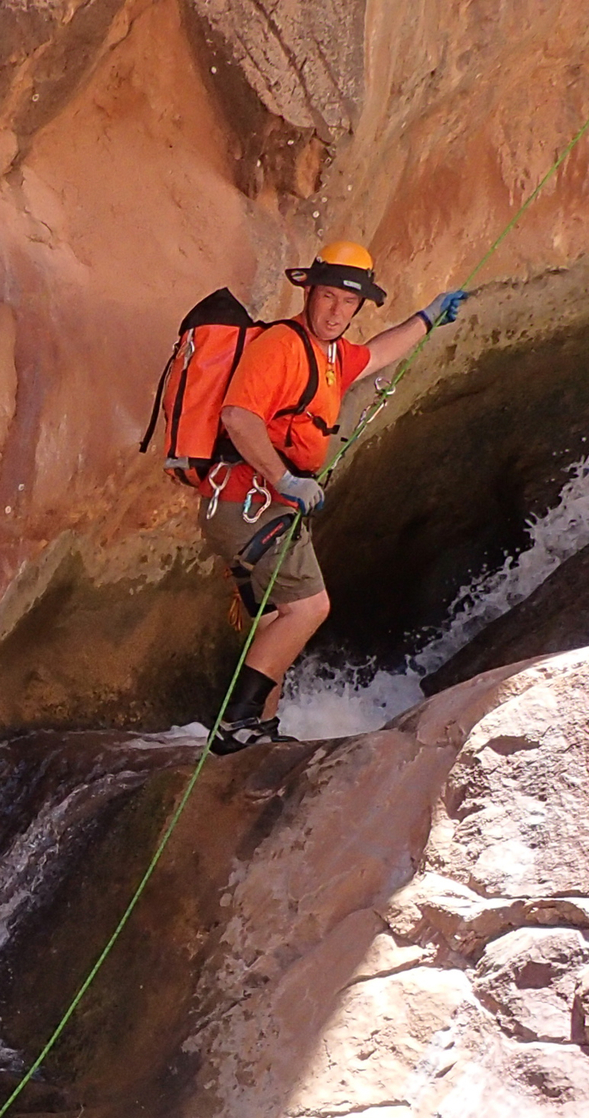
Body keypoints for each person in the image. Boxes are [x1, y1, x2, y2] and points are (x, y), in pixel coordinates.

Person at [200, 242, 468, 753]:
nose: (336, 311)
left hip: (259, 504)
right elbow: (238, 416)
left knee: (281, 616)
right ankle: (235, 722)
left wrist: (428, 317)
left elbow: (379, 353)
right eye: (328, 298)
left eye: (348, 303)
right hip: (250, 500)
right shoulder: (283, 345)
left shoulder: (332, 356)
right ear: (309, 293)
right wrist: (285, 479)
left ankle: (259, 729)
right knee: (309, 608)